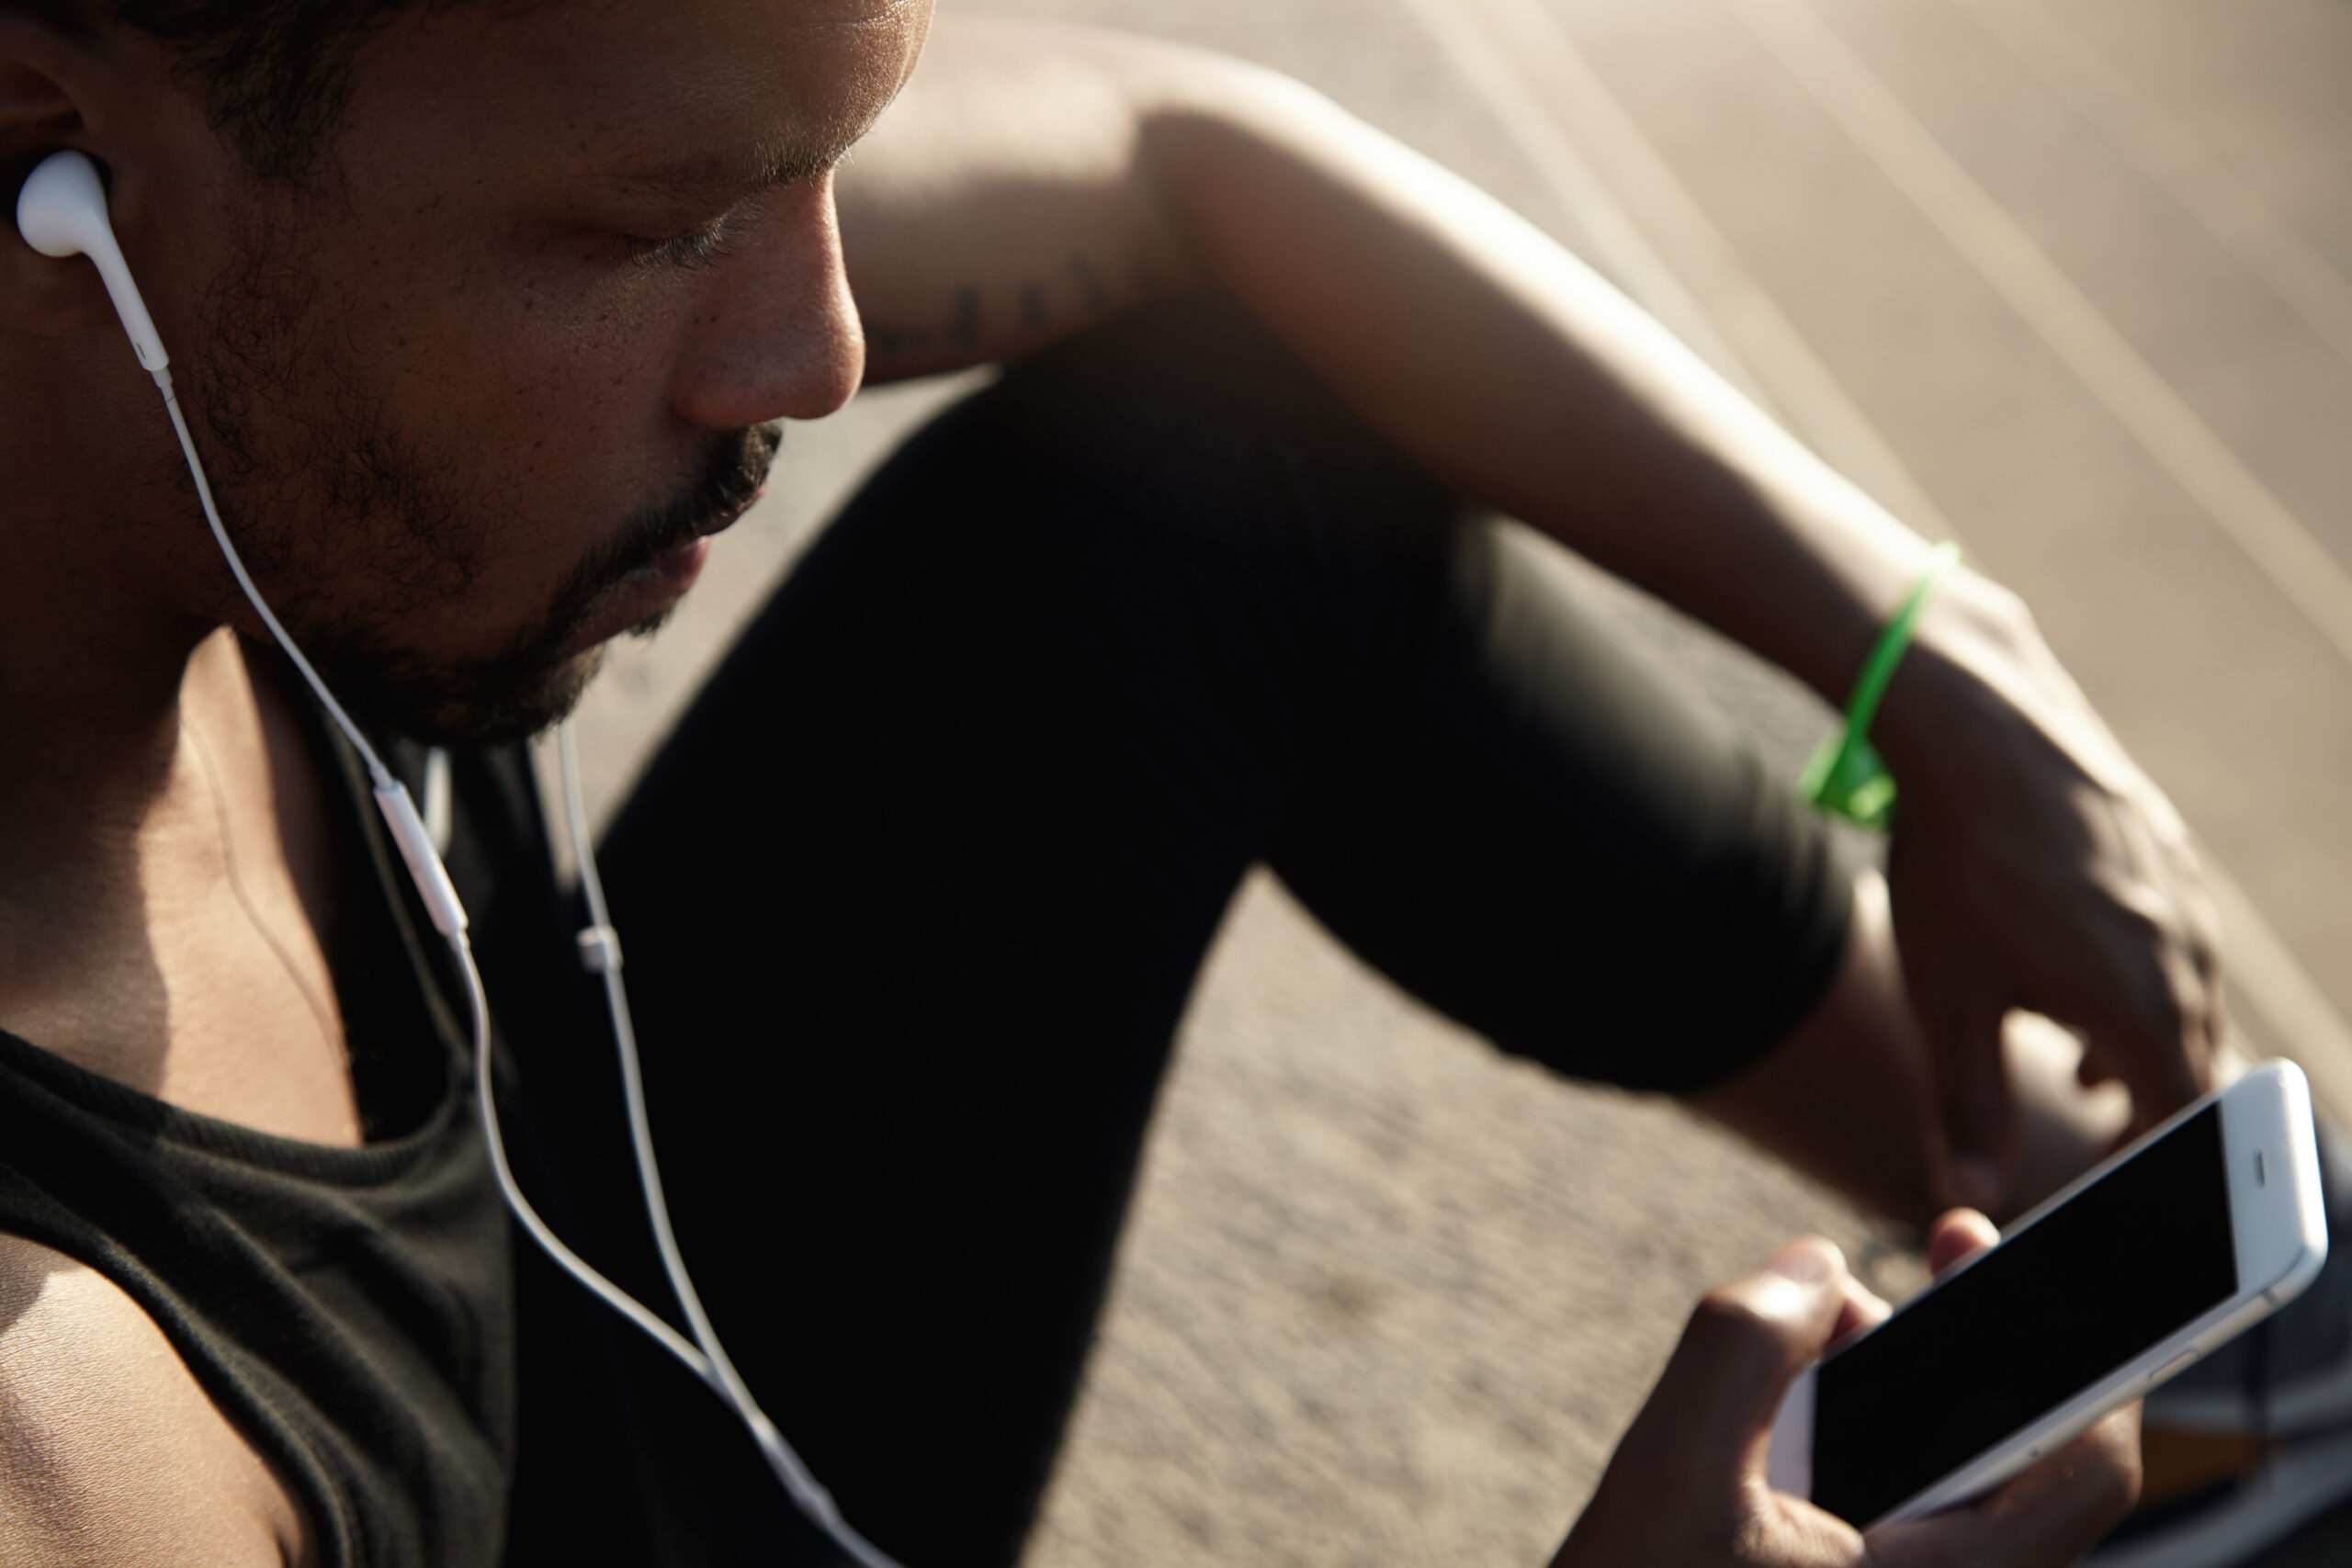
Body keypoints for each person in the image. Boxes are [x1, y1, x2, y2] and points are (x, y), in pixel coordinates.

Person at [0, 0, 2283, 1562]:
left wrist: (1942, 677)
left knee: (1222, 461)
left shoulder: (213, 281)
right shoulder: (60, 1422)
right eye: (666, 227)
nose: (817, 350)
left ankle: (2153, 1264)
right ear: (46, 152)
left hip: (578, 1295)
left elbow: (1192, 169)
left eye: (834, 169)